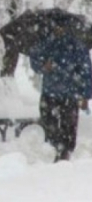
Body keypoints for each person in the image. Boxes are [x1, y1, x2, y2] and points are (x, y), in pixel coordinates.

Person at [29, 25, 92, 162]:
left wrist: (85, 95)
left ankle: (65, 153)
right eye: (56, 27)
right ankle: (55, 149)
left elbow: (86, 71)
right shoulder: (47, 42)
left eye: (61, 27)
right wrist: (42, 65)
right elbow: (34, 58)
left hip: (70, 94)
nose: (59, 29)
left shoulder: (76, 45)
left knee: (68, 126)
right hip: (50, 92)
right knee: (49, 123)